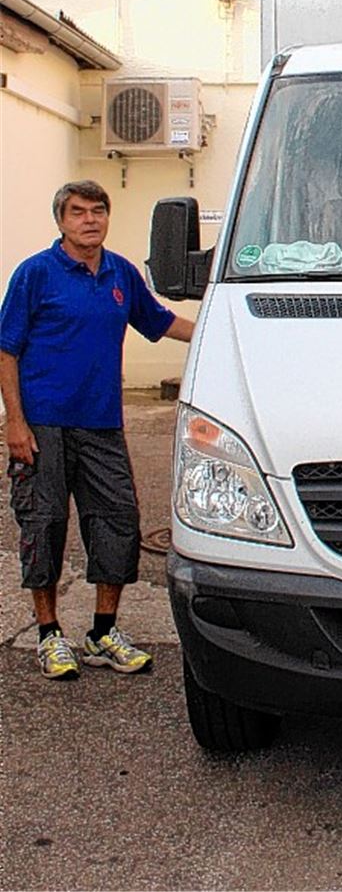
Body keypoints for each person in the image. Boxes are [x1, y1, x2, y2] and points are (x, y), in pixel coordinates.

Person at [1, 180, 194, 680]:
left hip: (102, 423)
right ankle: (49, 635)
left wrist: (222, 330)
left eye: (98, 210)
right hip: (43, 425)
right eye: (78, 212)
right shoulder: (36, 274)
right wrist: (14, 422)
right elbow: (6, 350)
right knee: (44, 525)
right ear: (61, 221)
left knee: (117, 522)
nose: (90, 219)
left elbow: (160, 321)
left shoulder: (120, 273)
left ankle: (103, 632)